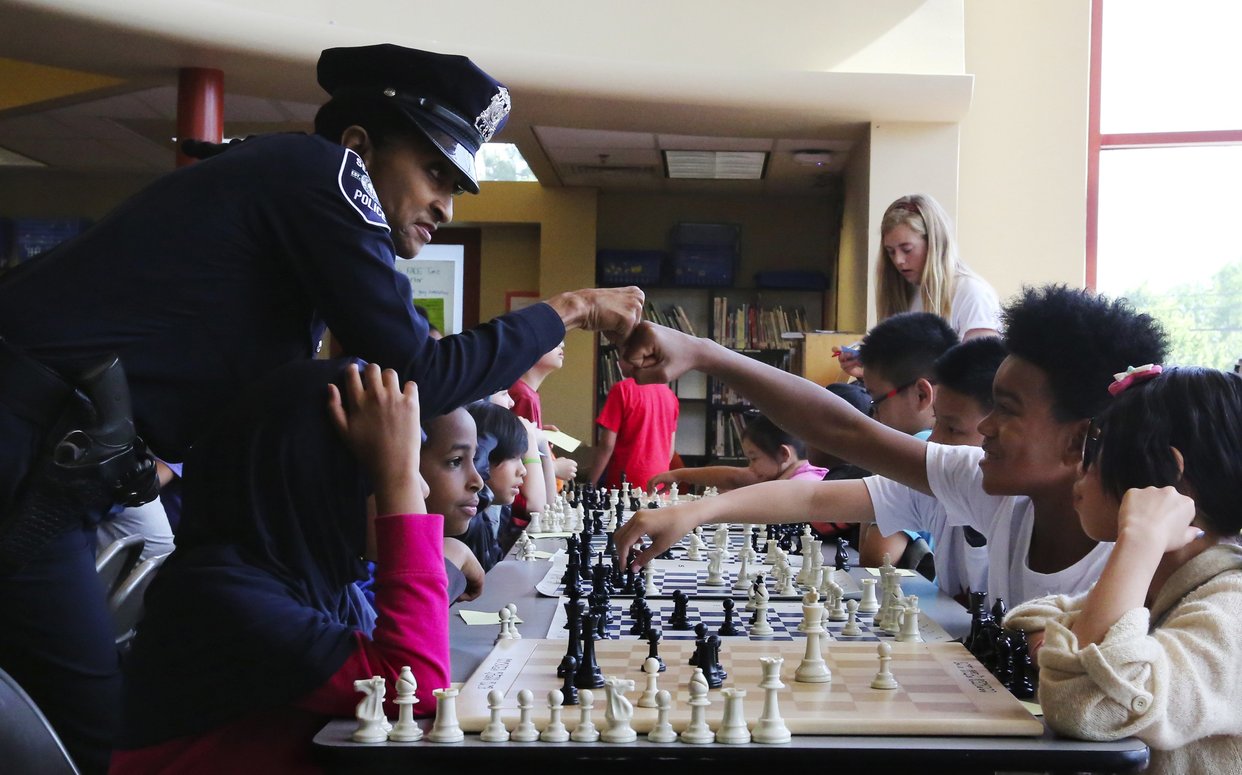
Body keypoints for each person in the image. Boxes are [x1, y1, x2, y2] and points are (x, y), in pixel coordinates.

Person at [0, 44, 643, 772]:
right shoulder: (324, 173)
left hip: (52, 461)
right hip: (26, 447)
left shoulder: (283, 238)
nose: (445, 204)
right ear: (360, 146)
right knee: (88, 736)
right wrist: (573, 307)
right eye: (434, 171)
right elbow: (423, 369)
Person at [617, 284, 1168, 611]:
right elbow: (846, 434)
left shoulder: (1151, 552)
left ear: (1079, 439)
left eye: (1009, 410)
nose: (987, 429)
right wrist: (705, 355)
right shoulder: (989, 485)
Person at [111, 360, 446, 772]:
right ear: (317, 476)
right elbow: (415, 686)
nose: (422, 489)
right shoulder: (224, 595)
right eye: (402, 470)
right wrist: (396, 481)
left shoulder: (318, 579)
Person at [618, 336, 1006, 602]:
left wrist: (705, 354)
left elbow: (841, 430)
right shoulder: (940, 487)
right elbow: (812, 496)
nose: (933, 440)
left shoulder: (1014, 502)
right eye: (936, 421)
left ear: (997, 428)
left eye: (953, 428)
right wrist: (694, 512)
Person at [1004, 367, 1242, 775]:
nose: (1079, 473)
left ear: (1166, 472)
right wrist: (1070, 643)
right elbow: (1028, 616)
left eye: (1095, 456)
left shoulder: (1229, 610)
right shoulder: (1172, 586)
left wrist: (1141, 538)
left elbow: (1083, 704)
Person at [836, 193, 1000, 378]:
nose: (898, 260)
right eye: (890, 252)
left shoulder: (972, 293)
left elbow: (980, 379)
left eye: (907, 249)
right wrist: (868, 373)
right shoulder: (908, 292)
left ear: (934, 244)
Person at [852, 312, 959, 567]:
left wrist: (879, 466)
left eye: (875, 401)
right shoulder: (951, 448)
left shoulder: (913, 456)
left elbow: (878, 557)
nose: (873, 416)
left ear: (922, 394)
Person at [457, 401, 551, 570]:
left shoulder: (496, 512)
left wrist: (543, 445)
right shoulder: (467, 523)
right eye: (514, 457)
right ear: (483, 458)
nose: (523, 470)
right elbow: (539, 508)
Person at [648, 414, 827, 494]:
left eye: (754, 458)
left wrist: (727, 501)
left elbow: (759, 500)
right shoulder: (783, 471)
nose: (750, 467)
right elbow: (733, 477)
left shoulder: (803, 482)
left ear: (783, 453)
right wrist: (677, 474)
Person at [587, 364, 679, 491]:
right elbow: (670, 451)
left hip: (624, 483)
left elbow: (607, 446)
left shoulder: (621, 390)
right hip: (659, 484)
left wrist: (590, 483)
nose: (618, 361)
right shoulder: (670, 395)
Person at [509, 340, 578, 484]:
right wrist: (554, 467)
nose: (563, 344)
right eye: (554, 339)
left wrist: (538, 435)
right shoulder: (523, 395)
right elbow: (516, 457)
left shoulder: (528, 393)